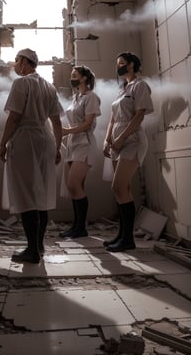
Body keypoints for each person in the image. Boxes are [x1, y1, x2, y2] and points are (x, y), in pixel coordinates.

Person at [0, 48, 63, 264]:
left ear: (25, 63)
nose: (15, 65)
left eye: (17, 61)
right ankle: (40, 245)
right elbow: (56, 121)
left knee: (27, 195)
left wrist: (2, 143)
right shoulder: (49, 86)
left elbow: (14, 117)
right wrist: (59, 146)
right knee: (41, 195)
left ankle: (32, 251)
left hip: (26, 138)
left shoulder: (21, 83)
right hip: (46, 139)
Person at [103, 52, 153, 252]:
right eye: (118, 64)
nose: (119, 67)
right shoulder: (122, 90)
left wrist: (121, 138)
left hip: (132, 140)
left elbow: (139, 115)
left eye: (122, 63)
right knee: (123, 191)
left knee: (118, 187)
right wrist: (108, 139)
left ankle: (128, 239)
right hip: (117, 141)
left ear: (132, 65)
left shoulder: (140, 85)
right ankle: (122, 236)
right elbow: (113, 118)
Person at [60, 65, 101, 239]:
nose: (72, 77)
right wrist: (66, 136)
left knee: (73, 184)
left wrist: (67, 131)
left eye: (75, 75)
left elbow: (87, 123)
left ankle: (81, 228)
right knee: (74, 187)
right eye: (72, 75)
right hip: (72, 143)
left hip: (84, 141)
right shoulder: (76, 97)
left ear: (84, 78)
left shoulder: (91, 97)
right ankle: (77, 226)